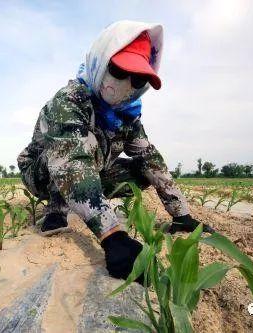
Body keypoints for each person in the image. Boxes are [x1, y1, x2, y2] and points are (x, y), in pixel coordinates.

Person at [17, 20, 214, 281]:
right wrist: (114, 237)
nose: (127, 85)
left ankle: (82, 202)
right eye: (119, 71)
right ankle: (56, 209)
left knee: (143, 169)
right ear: (100, 61)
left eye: (138, 78)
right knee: (83, 145)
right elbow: (70, 160)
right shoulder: (69, 100)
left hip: (89, 169)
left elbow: (149, 158)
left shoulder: (127, 116)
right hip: (42, 172)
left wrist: (182, 214)